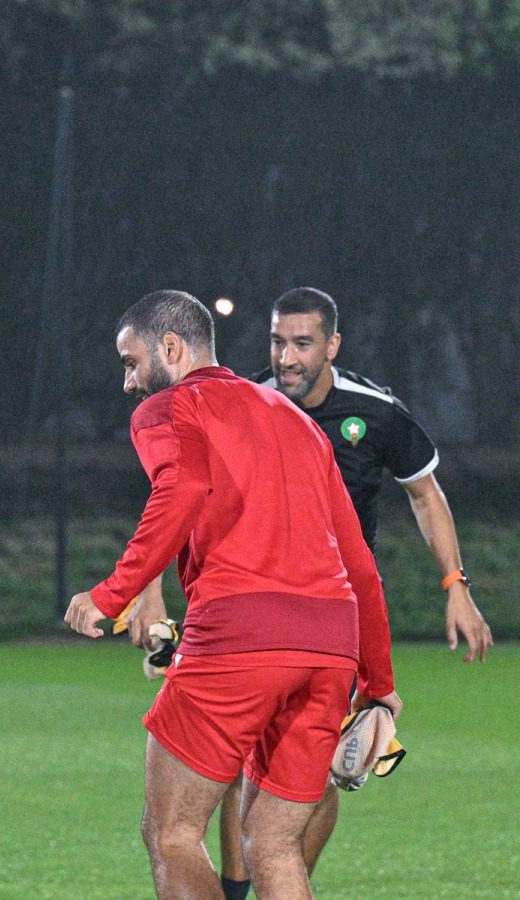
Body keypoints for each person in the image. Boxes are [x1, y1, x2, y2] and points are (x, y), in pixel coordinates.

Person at [127, 286, 493, 899]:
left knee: (203, 819)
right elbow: (183, 488)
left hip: (315, 610)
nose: (287, 357)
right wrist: (152, 590)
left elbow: (425, 495)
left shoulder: (374, 412)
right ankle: (251, 883)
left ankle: (259, 876)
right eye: (276, 342)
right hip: (316, 630)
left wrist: (456, 583)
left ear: (333, 346)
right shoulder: (250, 401)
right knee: (256, 809)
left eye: (302, 343)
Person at [64, 290, 400, 899]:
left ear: (170, 348)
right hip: (329, 647)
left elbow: (185, 485)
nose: (129, 382)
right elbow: (360, 566)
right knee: (274, 846)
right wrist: (378, 685)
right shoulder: (295, 419)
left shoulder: (170, 407)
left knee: (171, 833)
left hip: (240, 638)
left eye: (130, 362)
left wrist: (115, 592)